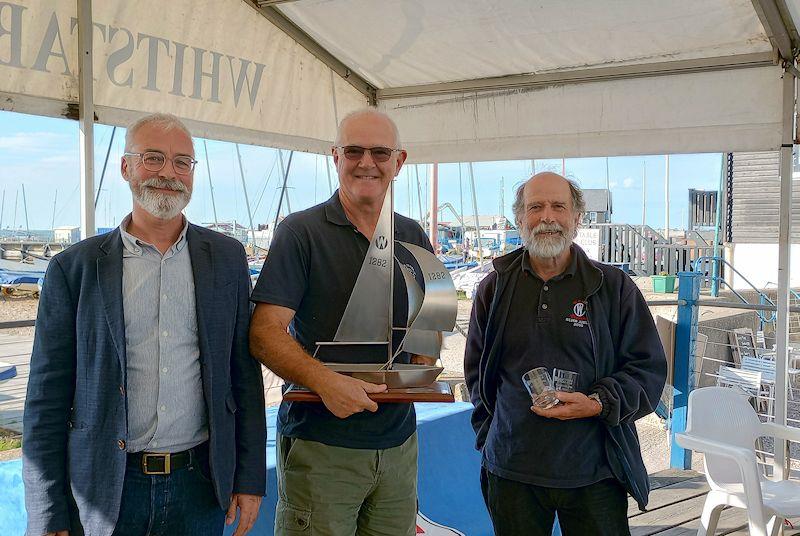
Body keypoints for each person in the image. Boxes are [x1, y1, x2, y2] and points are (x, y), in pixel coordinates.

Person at [23, 113, 266, 536]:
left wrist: (248, 478)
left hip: (200, 484)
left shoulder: (226, 259)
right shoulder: (73, 269)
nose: (168, 174)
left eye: (182, 163)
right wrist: (46, 510)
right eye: (153, 158)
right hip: (104, 490)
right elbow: (46, 396)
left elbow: (242, 377)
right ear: (126, 167)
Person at [249, 108, 435, 536]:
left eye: (379, 152)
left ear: (399, 161)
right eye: (353, 151)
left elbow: (427, 323)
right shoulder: (300, 232)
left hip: (400, 445)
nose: (366, 162)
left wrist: (424, 365)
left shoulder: (413, 234)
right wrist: (326, 382)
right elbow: (264, 332)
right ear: (335, 157)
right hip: (322, 449)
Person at [464, 172, 667, 535]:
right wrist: (489, 438)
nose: (547, 217)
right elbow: (477, 375)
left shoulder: (613, 287)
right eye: (535, 207)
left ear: (577, 217)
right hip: (512, 471)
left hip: (594, 471)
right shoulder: (493, 288)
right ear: (520, 219)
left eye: (559, 206)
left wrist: (598, 403)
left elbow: (648, 370)